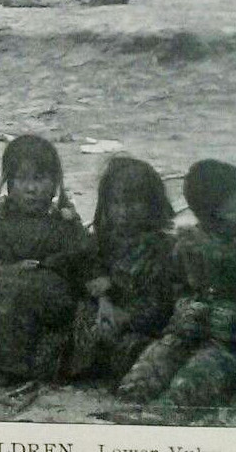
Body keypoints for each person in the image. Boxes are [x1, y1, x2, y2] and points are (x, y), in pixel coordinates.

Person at [117, 159, 236, 405]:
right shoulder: (190, 247)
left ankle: (168, 415)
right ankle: (131, 405)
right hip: (197, 336)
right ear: (209, 217)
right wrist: (186, 309)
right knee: (148, 369)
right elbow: (174, 291)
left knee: (191, 383)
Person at [0, 135, 90, 385]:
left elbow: (80, 262)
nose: (31, 189)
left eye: (39, 179)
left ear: (55, 183)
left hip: (42, 304)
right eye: (22, 179)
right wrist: (3, 269)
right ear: (8, 183)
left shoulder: (63, 225)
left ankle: (3, 367)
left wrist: (43, 268)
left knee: (22, 294)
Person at [65, 155, 178, 383]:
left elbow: (161, 305)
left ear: (152, 204)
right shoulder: (101, 242)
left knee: (140, 352)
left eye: (133, 203)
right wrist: (102, 298)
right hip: (103, 322)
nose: (123, 211)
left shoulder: (164, 249)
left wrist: (124, 316)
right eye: (115, 203)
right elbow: (83, 273)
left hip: (139, 327)